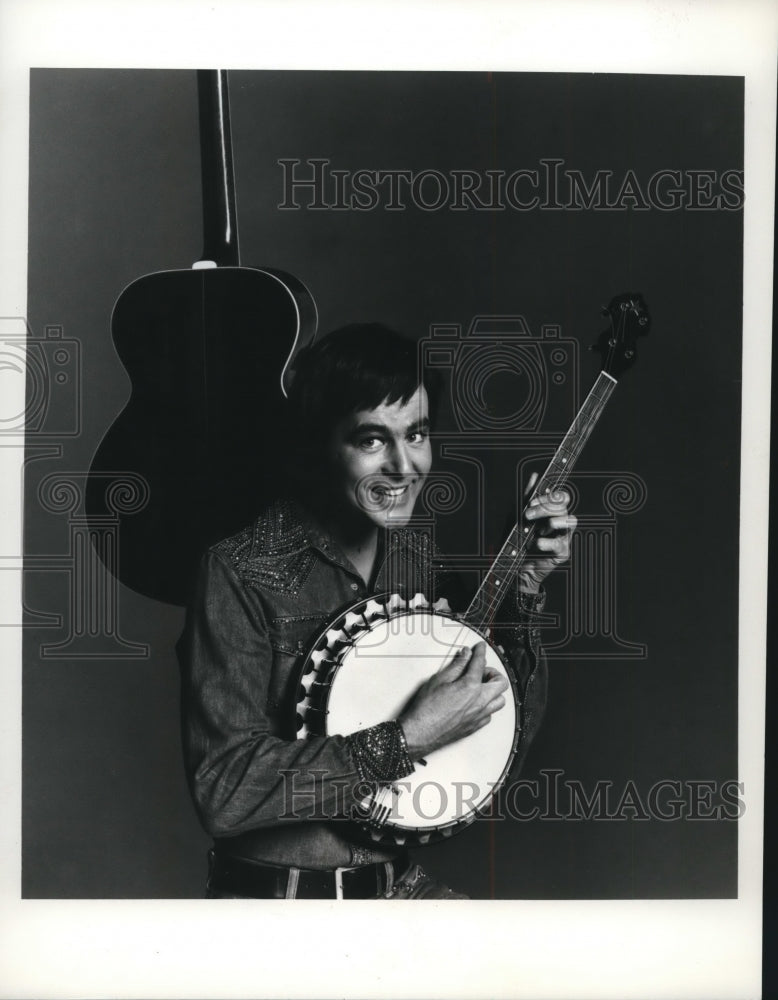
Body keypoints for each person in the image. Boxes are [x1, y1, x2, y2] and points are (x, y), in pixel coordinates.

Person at [177, 323, 575, 899]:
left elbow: (501, 736)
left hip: (396, 888)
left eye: (416, 435)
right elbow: (224, 793)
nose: (402, 466)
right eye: (370, 440)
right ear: (320, 445)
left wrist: (526, 590)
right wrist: (403, 740)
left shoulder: (418, 561)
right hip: (279, 908)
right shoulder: (240, 570)